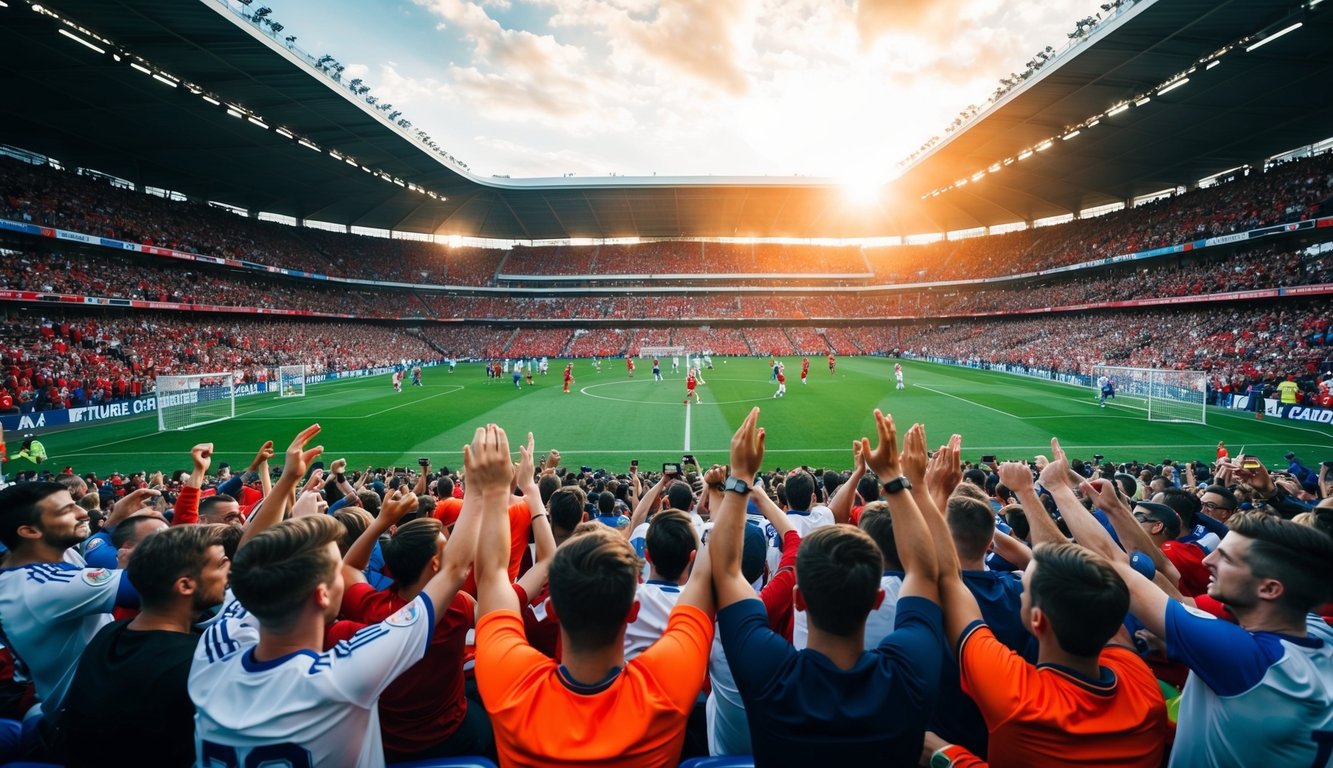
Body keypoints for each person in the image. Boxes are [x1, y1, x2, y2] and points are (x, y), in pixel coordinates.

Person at [189, 423, 476, 767]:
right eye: (335, 565)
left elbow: (251, 559)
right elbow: (455, 570)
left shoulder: (213, 651)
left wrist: (287, 483)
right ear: (322, 595)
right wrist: (481, 489)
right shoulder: (344, 673)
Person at [713, 408, 947, 765]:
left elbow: (727, 572)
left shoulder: (770, 675)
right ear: (877, 598)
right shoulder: (908, 675)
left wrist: (741, 476)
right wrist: (895, 480)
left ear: (798, 599)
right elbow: (925, 572)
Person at [473, 423, 716, 767]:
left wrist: (508, 489)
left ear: (553, 609)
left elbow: (492, 577)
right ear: (633, 610)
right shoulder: (668, 687)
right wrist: (722, 496)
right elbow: (706, 575)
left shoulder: (510, 685)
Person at [926, 443, 1169, 768]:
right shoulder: (1140, 680)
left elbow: (950, 580)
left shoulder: (1016, 693)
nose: (1021, 581)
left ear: (1038, 620)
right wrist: (1026, 493)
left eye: (1026, 588)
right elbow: (1058, 567)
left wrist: (934, 498)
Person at [59, 524, 230, 768]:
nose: (229, 571)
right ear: (185, 585)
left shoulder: (109, 634)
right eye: (221, 564)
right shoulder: (198, 662)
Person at [0, 482, 153, 727]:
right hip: (86, 720)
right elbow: (155, 587)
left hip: (87, 701)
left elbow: (87, 544)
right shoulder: (41, 587)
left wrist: (113, 522)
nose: (82, 513)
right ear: (30, 532)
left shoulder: (43, 552)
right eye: (65, 510)